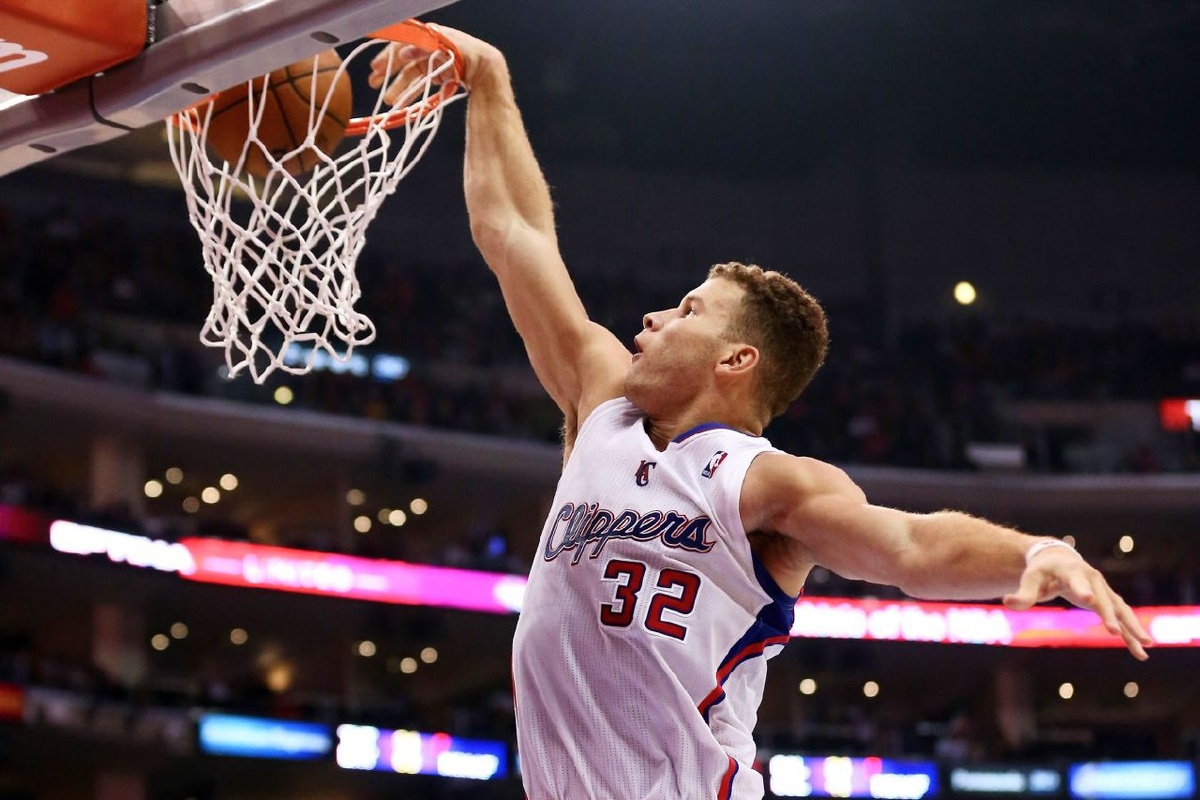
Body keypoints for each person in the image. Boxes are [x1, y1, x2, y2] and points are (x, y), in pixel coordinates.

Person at [373, 26, 1154, 800]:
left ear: (735, 360)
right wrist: (488, 76)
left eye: (687, 310)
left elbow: (910, 544)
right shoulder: (602, 402)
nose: (652, 318)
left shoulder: (766, 484)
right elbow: (513, 233)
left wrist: (1030, 552)